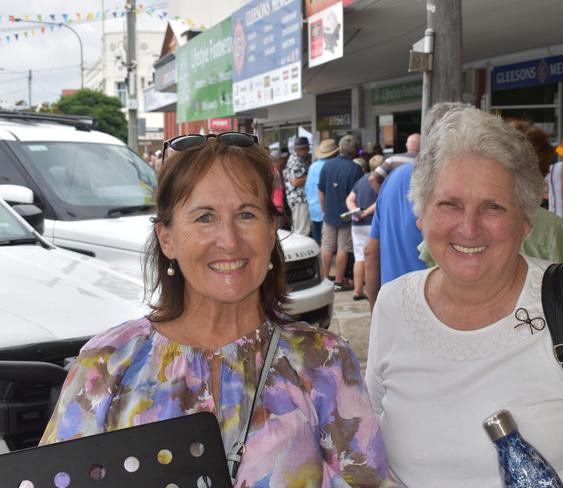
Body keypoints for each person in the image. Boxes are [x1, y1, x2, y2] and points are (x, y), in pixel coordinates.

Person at [41, 132, 394, 487]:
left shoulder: (324, 362)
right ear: (167, 238)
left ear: (272, 230)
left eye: (246, 214)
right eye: (205, 217)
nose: (228, 240)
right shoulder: (108, 364)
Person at [366, 106, 563, 487]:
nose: (469, 228)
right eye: (449, 204)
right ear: (422, 215)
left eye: (493, 207)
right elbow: (368, 444)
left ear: (525, 221)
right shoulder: (393, 304)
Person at [418, 120, 563, 268]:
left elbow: (429, 261)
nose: (469, 230)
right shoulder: (553, 228)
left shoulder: (444, 223)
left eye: (493, 207)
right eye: (452, 204)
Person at [318, 134, 364, 291]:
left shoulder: (327, 165)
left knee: (327, 246)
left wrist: (324, 209)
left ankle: (323, 279)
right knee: (343, 248)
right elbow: (358, 194)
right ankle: (338, 281)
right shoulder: (356, 169)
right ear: (355, 151)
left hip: (329, 212)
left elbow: (321, 190)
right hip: (346, 215)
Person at [345, 154, 382, 300]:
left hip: (357, 224)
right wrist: (366, 212)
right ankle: (371, 289)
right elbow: (381, 200)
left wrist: (356, 212)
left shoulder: (360, 180)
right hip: (372, 223)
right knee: (374, 257)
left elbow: (349, 199)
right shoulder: (380, 181)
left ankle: (357, 290)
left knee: (359, 257)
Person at [305, 139, 339, 245]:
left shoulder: (313, 166)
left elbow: (308, 187)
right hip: (326, 208)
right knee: (328, 243)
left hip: (313, 206)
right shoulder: (331, 166)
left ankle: (318, 259)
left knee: (317, 239)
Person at [283, 136, 311, 236]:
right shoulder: (296, 160)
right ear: (299, 149)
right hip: (299, 199)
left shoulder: (299, 158)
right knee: (301, 231)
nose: (308, 150)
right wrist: (311, 175)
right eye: (306, 148)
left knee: (298, 228)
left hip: (297, 199)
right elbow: (295, 182)